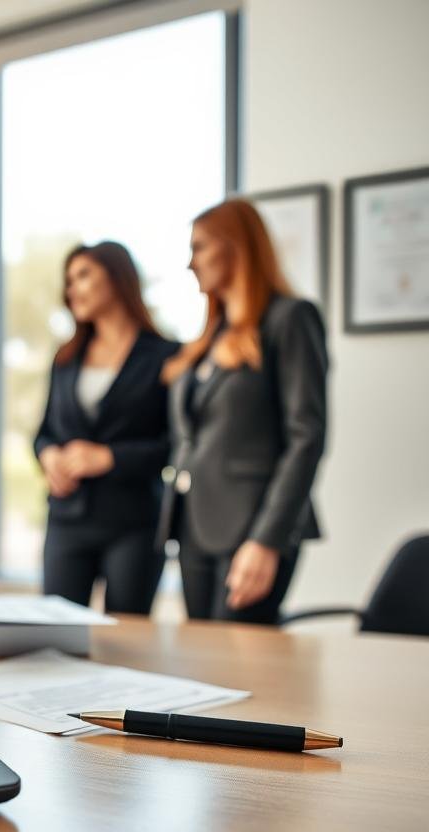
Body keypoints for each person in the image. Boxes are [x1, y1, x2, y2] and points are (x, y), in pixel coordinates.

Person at [158, 198, 329, 624]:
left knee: (242, 670)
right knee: (206, 668)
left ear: (235, 246)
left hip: (254, 526)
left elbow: (306, 436)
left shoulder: (291, 319)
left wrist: (266, 540)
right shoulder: (210, 338)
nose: (190, 263)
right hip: (195, 526)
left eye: (200, 247)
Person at [34, 241, 178, 612]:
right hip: (67, 517)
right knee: (55, 634)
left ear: (117, 278)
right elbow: (44, 431)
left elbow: (175, 444)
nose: (72, 289)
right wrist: (49, 456)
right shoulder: (66, 357)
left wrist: (109, 458)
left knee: (127, 638)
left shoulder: (164, 356)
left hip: (133, 521)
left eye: (83, 275)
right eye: (68, 281)